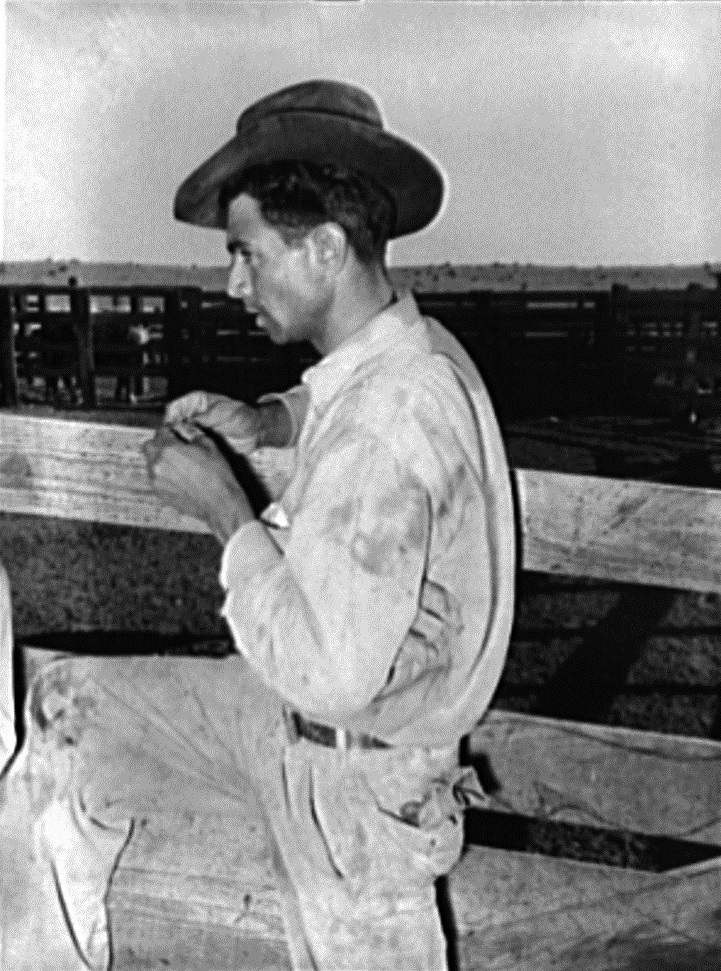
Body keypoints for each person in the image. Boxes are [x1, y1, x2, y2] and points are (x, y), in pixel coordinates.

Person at [0, 79, 515, 971]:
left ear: (322, 247)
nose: (233, 280)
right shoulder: (411, 356)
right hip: (301, 734)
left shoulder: (387, 427)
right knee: (64, 714)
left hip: (353, 784)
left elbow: (324, 668)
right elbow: (338, 400)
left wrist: (224, 510)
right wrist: (268, 423)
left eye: (247, 252)